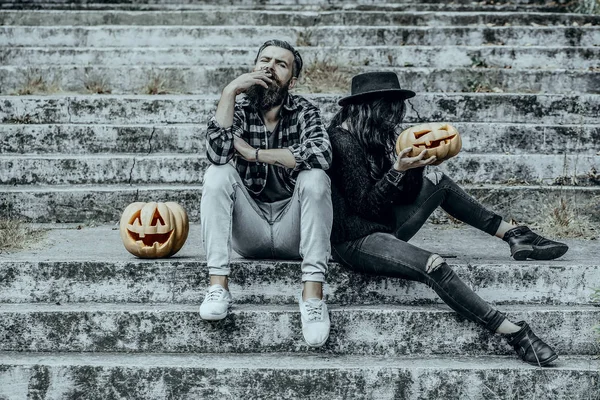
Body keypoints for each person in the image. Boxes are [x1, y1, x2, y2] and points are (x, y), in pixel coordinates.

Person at [326, 71, 569, 366]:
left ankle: (514, 234)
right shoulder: (341, 142)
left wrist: (417, 166)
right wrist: (397, 171)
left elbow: (398, 199)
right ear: (369, 108)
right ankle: (515, 333)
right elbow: (366, 207)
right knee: (434, 264)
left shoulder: (371, 139)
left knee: (438, 179)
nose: (394, 118)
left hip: (384, 226)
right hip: (356, 240)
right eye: (389, 109)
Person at [200, 39, 333, 347]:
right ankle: (218, 286)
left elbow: (323, 154)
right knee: (217, 174)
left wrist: (257, 154)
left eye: (281, 64)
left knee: (315, 178)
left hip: (294, 231)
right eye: (265, 60)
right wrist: (229, 91)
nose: (270, 67)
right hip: (251, 230)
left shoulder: (303, 111)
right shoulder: (237, 108)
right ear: (253, 68)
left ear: (292, 80)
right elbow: (218, 154)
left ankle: (312, 296)